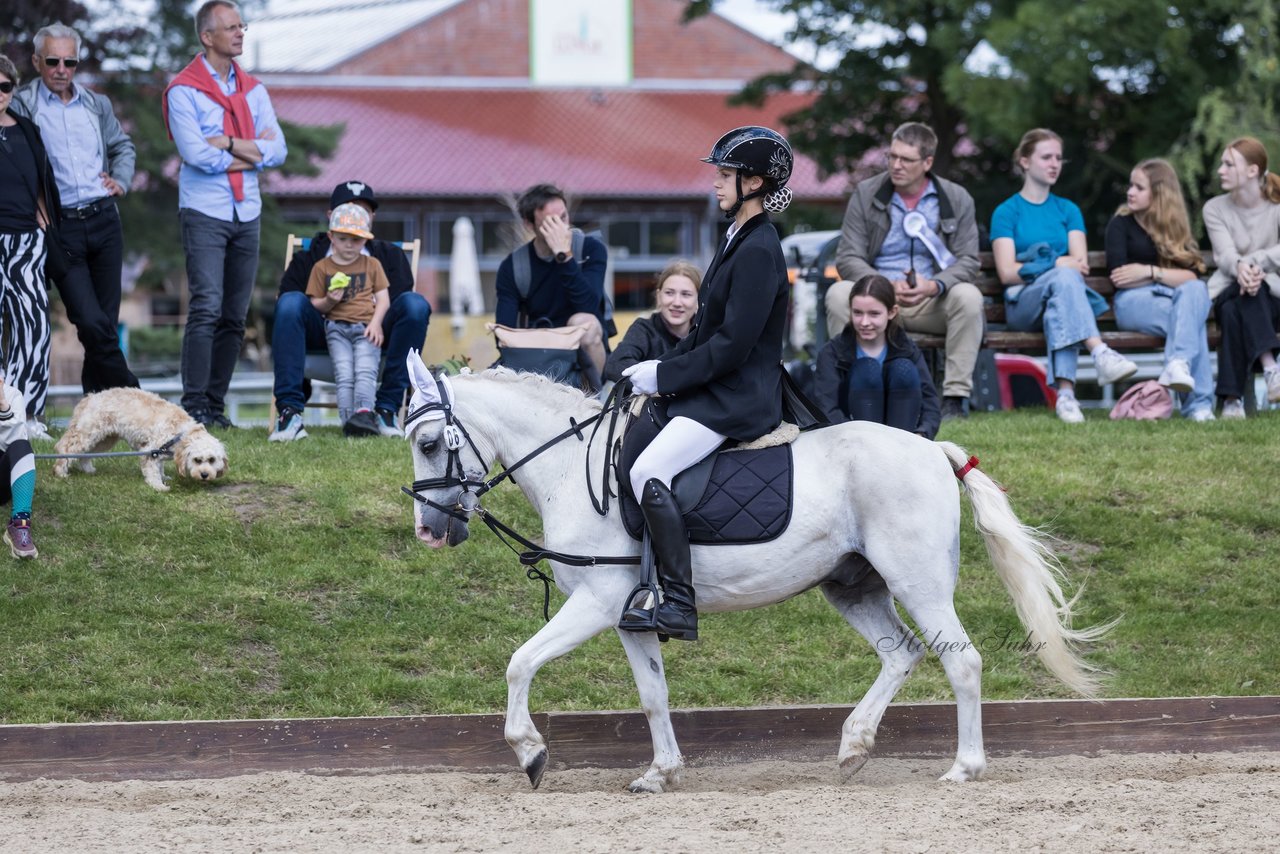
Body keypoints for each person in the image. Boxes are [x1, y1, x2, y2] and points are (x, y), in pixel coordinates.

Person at [618, 126, 793, 642]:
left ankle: (678, 600)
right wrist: (658, 368)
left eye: (725, 175)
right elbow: (703, 332)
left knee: (650, 468)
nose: (716, 183)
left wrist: (665, 375)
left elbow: (732, 346)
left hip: (739, 397)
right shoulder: (736, 237)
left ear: (755, 181)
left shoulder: (760, 249)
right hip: (717, 386)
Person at [163, 0, 286, 428]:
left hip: (245, 210)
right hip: (205, 211)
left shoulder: (253, 89)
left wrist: (229, 144)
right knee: (206, 307)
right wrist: (254, 149)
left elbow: (280, 149)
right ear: (207, 36)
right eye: (232, 27)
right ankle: (194, 404)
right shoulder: (184, 90)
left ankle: (215, 407)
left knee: (235, 314)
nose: (240, 33)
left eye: (242, 26)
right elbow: (195, 154)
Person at [12, 23, 140, 398]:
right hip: (60, 226)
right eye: (53, 60)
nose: (61, 69)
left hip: (104, 220)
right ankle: (134, 396)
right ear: (37, 61)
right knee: (88, 320)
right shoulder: (22, 105)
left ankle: (96, 409)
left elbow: (123, 146)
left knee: (103, 324)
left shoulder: (95, 104)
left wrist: (121, 179)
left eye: (70, 61)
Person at [828, 122, 982, 420]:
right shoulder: (866, 193)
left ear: (928, 162)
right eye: (892, 157)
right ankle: (852, 387)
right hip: (876, 299)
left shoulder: (957, 197)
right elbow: (847, 256)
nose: (896, 165)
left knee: (969, 297)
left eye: (906, 160)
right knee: (838, 293)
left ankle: (954, 399)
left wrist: (934, 285)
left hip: (930, 301)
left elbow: (968, 261)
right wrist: (881, 286)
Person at [990, 128, 1138, 423]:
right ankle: (1099, 352)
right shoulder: (1007, 212)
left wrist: (1056, 267)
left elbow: (1079, 265)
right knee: (1063, 279)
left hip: (1061, 300)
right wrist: (1058, 263)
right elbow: (1007, 273)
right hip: (1023, 305)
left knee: (1063, 296)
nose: (1054, 163)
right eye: (1046, 157)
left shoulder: (1068, 209)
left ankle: (1067, 399)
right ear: (1024, 161)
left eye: (1058, 157)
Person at [270, 180, 431, 441]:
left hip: (372, 333)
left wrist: (373, 316)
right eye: (347, 208)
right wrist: (329, 302)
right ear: (330, 218)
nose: (354, 214)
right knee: (289, 302)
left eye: (363, 210)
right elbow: (291, 304)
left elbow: (398, 303)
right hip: (324, 331)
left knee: (415, 305)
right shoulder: (310, 258)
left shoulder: (388, 256)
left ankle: (387, 408)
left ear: (372, 218)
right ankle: (289, 412)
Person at [1105, 159, 1215, 422]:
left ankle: (1180, 365)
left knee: (1195, 291)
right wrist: (1169, 279)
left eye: (1139, 187)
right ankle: (1198, 405)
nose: (1130, 192)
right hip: (1133, 304)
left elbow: (1192, 275)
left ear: (1159, 194)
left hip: (1172, 301)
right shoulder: (1119, 225)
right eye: (1131, 185)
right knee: (1191, 316)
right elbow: (1121, 277)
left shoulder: (1174, 230)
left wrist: (1149, 272)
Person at [0, 54, 60, 440]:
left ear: (13, 88)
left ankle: (28, 415)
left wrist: (44, 218)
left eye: (5, 86)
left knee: (33, 328)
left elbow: (39, 177)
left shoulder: (26, 128)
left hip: (25, 240)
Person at [494, 184, 608, 384]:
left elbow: (590, 307)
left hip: (583, 352)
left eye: (563, 218)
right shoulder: (513, 266)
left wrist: (564, 256)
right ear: (530, 225)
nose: (560, 228)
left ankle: (597, 399)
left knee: (585, 323)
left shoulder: (590, 249)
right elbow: (504, 333)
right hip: (538, 349)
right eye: (550, 222)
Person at [1202, 136, 1280, 419]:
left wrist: (1254, 264)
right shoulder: (1214, 208)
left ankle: (1232, 401)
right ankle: (1271, 368)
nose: (1221, 170)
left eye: (1228, 164)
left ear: (1252, 170)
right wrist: (1241, 270)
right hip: (1228, 287)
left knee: (1241, 305)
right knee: (1241, 296)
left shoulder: (1277, 207)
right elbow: (1224, 255)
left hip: (1272, 298)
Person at [814, 274, 940, 438]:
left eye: (874, 314)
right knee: (867, 370)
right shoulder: (832, 353)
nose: (865, 322)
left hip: (902, 437)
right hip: (853, 439)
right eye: (858, 313)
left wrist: (922, 434)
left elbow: (930, 404)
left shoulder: (907, 350)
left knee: (903, 368)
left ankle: (900, 447)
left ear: (891, 312)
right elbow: (826, 408)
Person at [303, 203, 390, 437]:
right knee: (344, 375)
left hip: (366, 328)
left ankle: (364, 416)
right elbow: (315, 304)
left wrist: (376, 323)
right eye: (343, 239)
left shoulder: (372, 265)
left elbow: (383, 299)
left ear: (365, 240)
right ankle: (348, 422)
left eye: (356, 240)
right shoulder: (322, 267)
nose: (349, 245)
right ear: (331, 237)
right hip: (336, 329)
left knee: (365, 371)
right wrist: (330, 300)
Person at [603, 259, 700, 382]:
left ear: (699, 299)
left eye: (686, 294)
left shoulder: (706, 334)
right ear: (659, 296)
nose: (677, 302)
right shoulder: (644, 329)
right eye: (669, 293)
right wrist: (662, 382)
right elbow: (616, 365)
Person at [1, 374, 38, 559]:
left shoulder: (13, 395)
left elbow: (16, 439)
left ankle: (20, 525)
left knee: (21, 446)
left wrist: (3, 407)